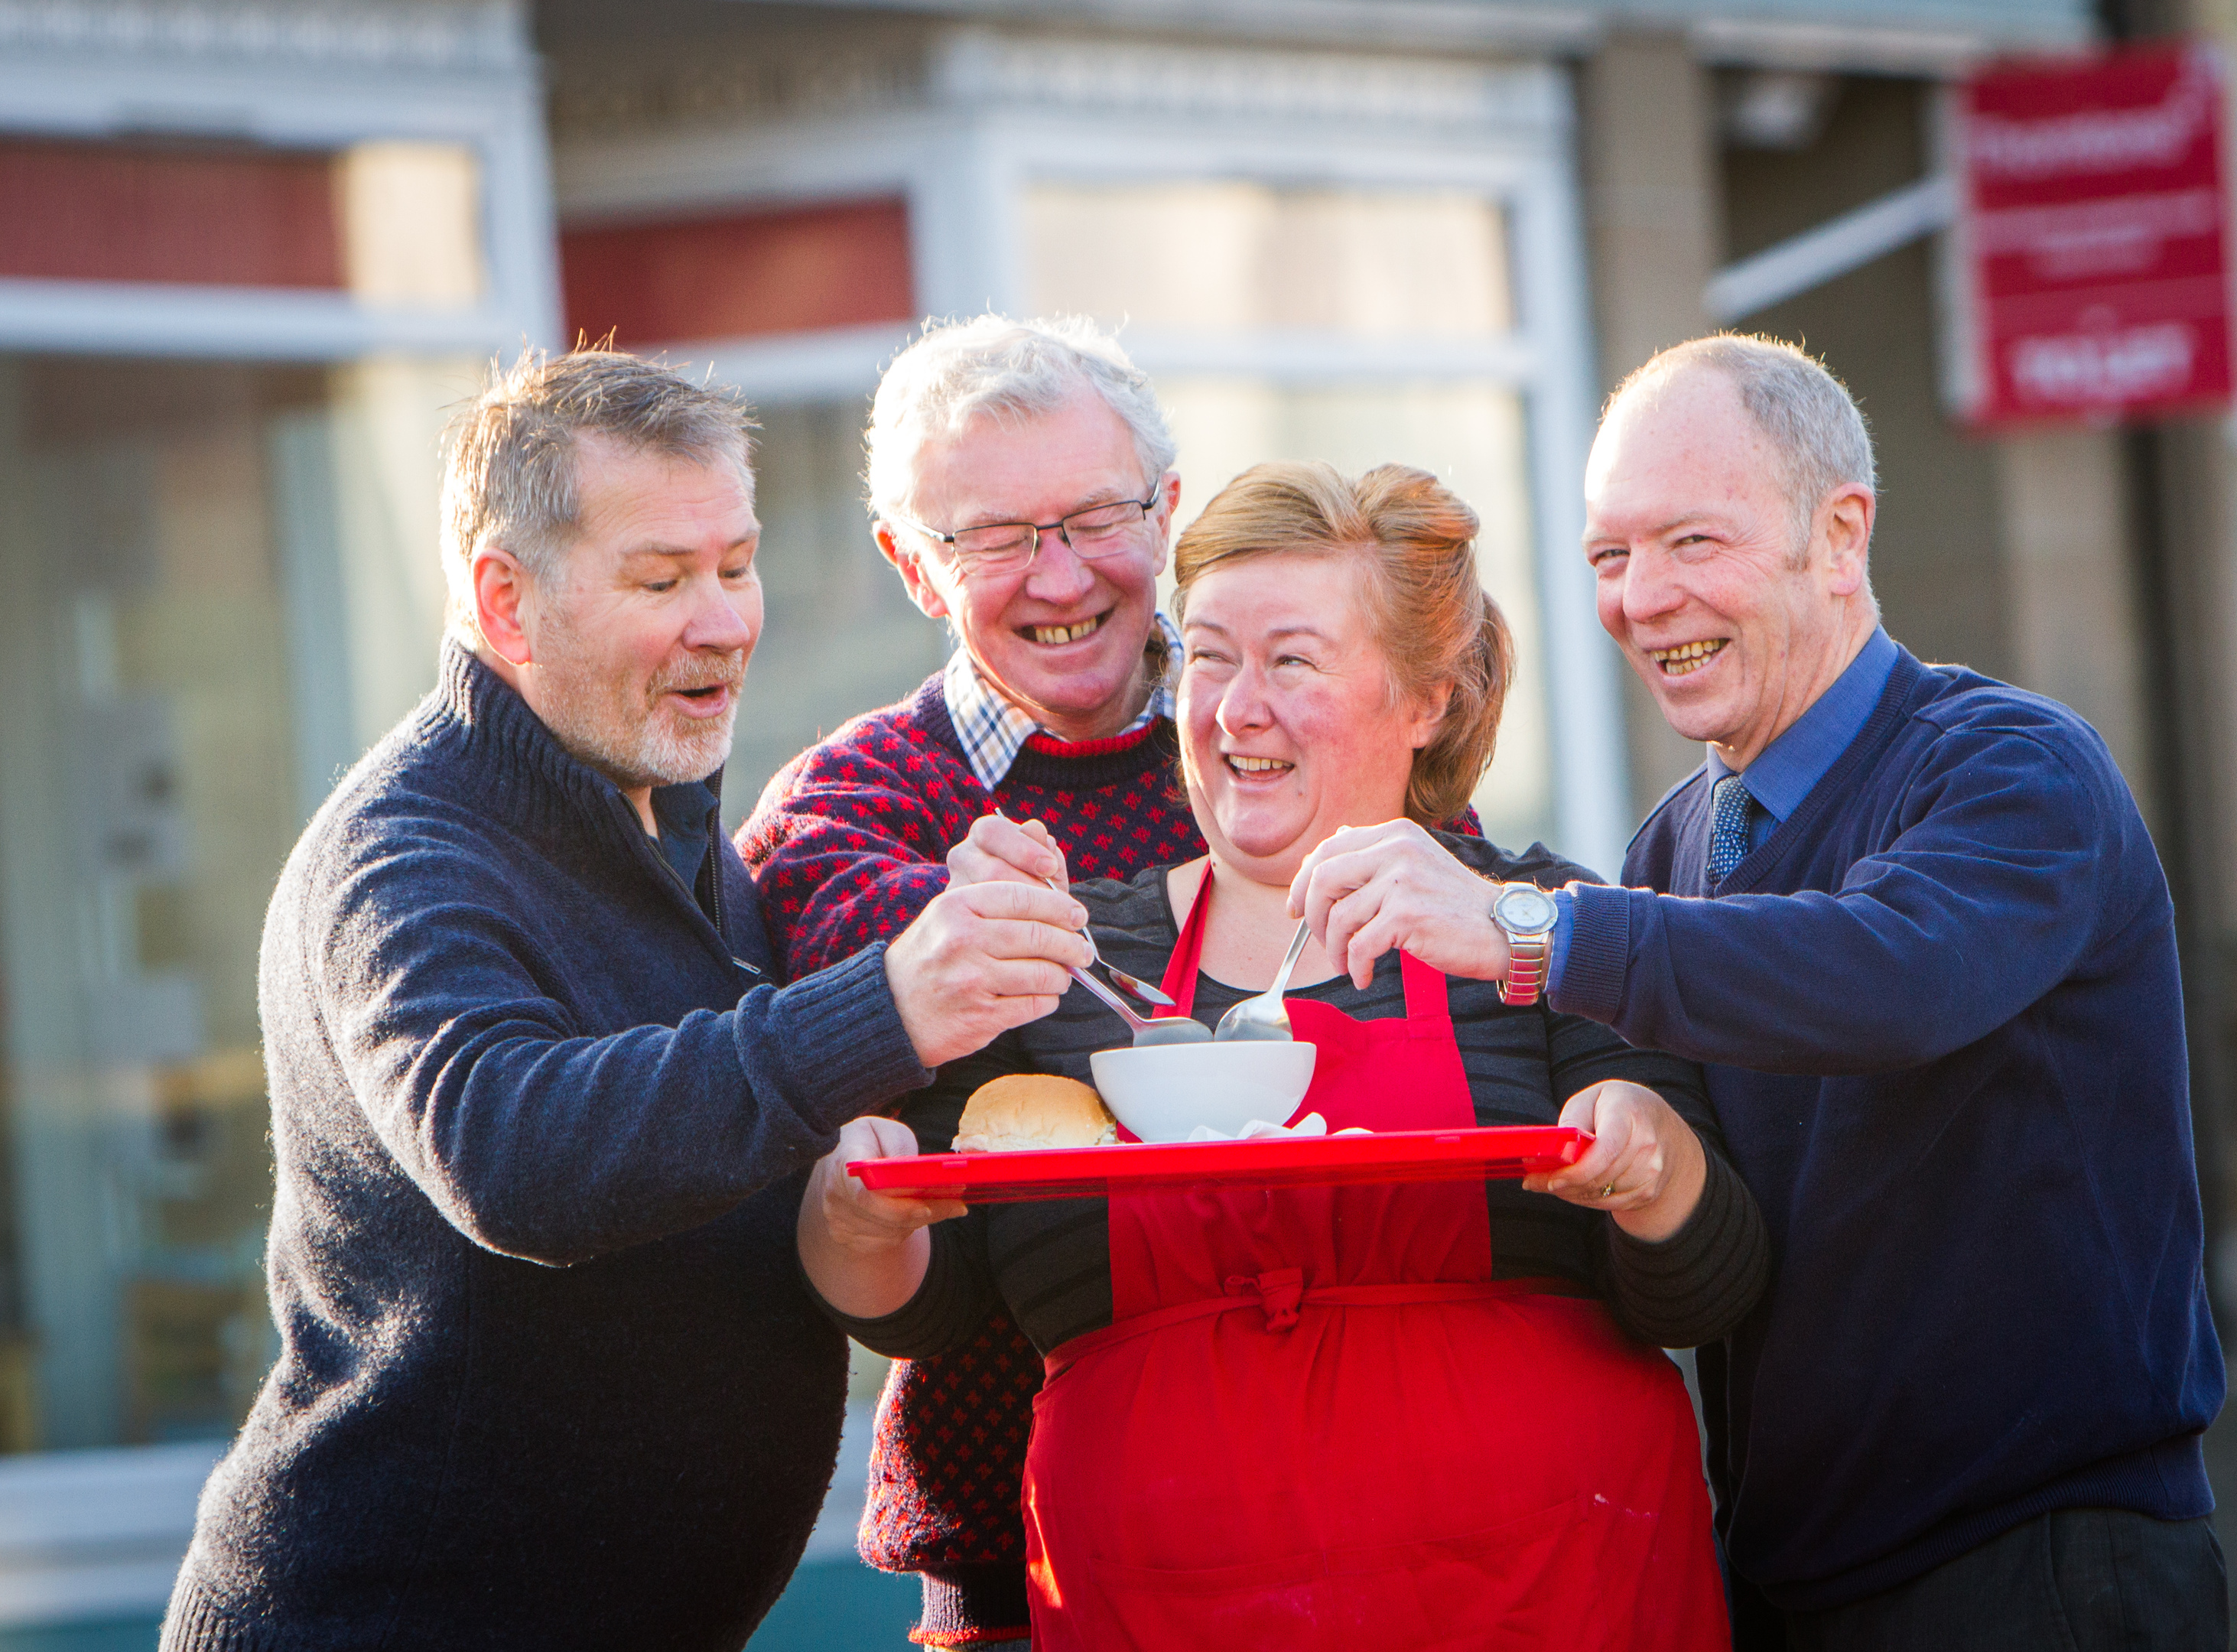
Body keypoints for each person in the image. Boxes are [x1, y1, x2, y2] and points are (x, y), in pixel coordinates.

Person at [1291, 335, 2229, 1650]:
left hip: (2033, 1568)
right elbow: (1701, 1229)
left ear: (1840, 536)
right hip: (1789, 1578)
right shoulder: (1670, 852)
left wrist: (1522, 927)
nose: (1642, 598)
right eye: (1610, 558)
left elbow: (1892, 973)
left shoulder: (2016, 768)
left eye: (1692, 543)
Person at [166, 350, 1093, 1650]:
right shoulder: (404, 859)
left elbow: (743, 1109)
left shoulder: (676, 825)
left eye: (736, 564)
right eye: (661, 580)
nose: (722, 619)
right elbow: (515, 1155)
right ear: (507, 605)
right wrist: (884, 1005)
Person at [801, 461, 1769, 1650]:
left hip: (1548, 1591)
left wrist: (1656, 1169)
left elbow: (1710, 1284)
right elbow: (927, 1311)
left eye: (1293, 661)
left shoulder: (1543, 931)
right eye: (1207, 658)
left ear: (1428, 699)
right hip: (1159, 1606)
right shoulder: (1059, 963)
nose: (1234, 708)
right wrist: (851, 1218)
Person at [735, 314, 1209, 1648]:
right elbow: (897, 976)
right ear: (911, 567)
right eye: (994, 538)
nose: (1058, 576)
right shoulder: (850, 801)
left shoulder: (1286, 737)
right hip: (1020, 1572)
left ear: (1167, 510)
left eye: (1096, 518)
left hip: (1344, 1509)